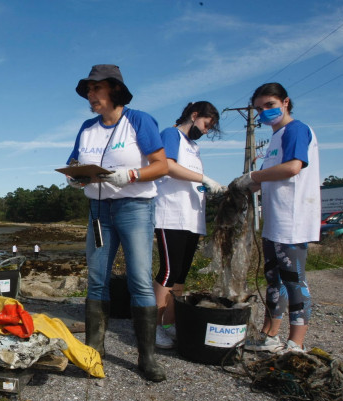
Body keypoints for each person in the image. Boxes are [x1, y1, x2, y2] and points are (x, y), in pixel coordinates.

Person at [65, 64, 169, 382]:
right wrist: (74, 175)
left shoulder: (139, 120)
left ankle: (147, 357)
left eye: (96, 89)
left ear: (114, 90)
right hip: (98, 210)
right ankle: (94, 350)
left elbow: (162, 165)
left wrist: (132, 174)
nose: (91, 96)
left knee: (139, 279)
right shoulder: (87, 128)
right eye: (88, 91)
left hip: (135, 207)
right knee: (97, 279)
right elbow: (73, 162)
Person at [236, 83, 320, 353]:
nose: (264, 112)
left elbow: (293, 167)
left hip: (292, 218)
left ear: (285, 102)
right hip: (274, 218)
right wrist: (239, 185)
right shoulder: (275, 138)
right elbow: (260, 180)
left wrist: (255, 176)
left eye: (269, 105)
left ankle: (296, 343)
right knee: (274, 278)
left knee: (294, 279)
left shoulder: (296, 130)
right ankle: (269, 335)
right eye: (259, 108)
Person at [153, 102, 225, 349]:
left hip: (192, 218)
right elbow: (168, 166)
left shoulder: (193, 147)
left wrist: (206, 187)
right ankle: (153, 326)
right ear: (194, 116)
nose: (206, 131)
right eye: (206, 124)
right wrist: (204, 177)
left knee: (181, 275)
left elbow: (189, 178)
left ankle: (169, 323)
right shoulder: (171, 134)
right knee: (168, 272)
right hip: (170, 215)